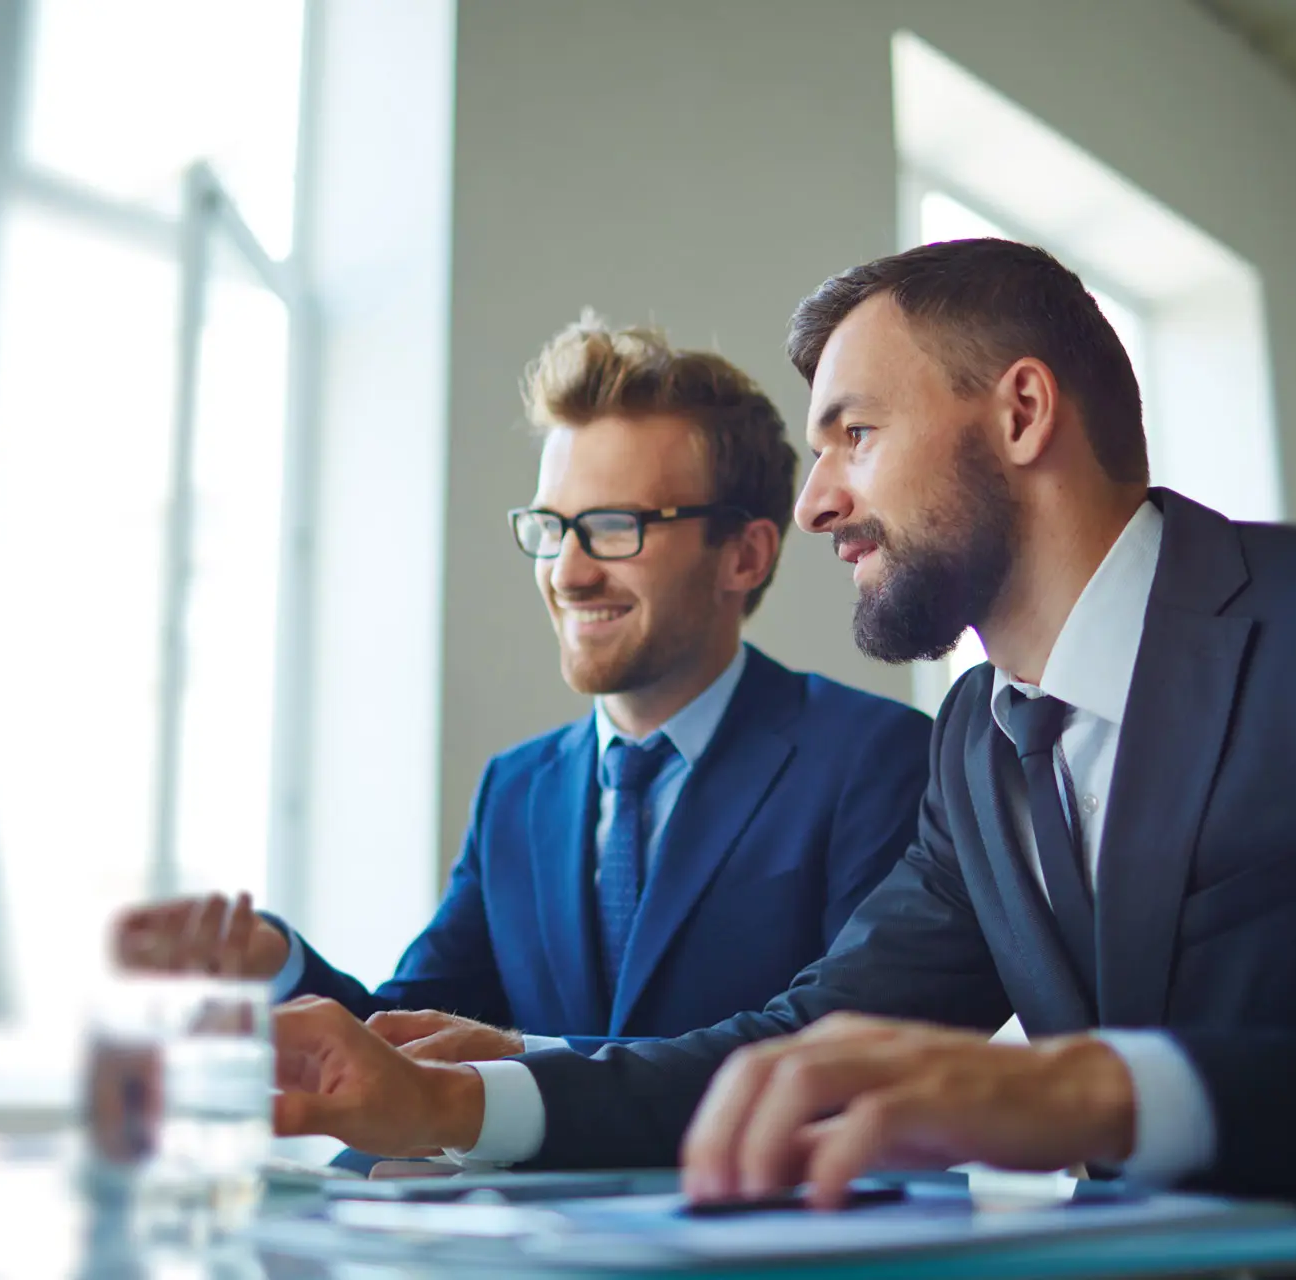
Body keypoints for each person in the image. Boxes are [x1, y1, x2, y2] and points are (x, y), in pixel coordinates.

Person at [266, 239, 1296, 1201]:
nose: (812, 504)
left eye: (854, 432)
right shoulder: (979, 740)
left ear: (1021, 415)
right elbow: (800, 1048)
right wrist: (457, 1105)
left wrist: (1097, 1090)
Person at [114, 317, 931, 1063]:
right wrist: (278, 965)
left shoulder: (872, 760)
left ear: (745, 557)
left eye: (615, 528)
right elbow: (409, 1047)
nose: (568, 573)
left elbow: (843, 1060)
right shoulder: (517, 790)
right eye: (551, 529)